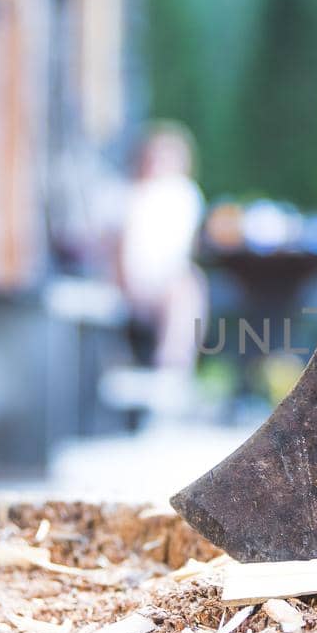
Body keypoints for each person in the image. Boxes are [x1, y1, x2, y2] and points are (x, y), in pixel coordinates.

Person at [118, 121, 207, 418]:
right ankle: (171, 374)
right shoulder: (131, 198)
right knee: (188, 288)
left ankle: (172, 372)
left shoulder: (181, 196)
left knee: (188, 286)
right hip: (131, 285)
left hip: (163, 284)